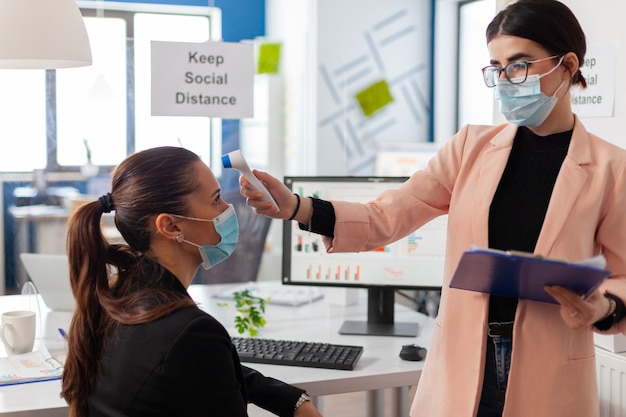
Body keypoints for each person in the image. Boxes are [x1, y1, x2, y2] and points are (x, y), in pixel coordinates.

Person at [240, 1, 626, 416]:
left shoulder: (612, 169)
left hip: (550, 367)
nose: (506, 80)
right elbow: (387, 215)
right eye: (497, 68)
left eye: (520, 65)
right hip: (463, 356)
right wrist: (297, 207)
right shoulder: (470, 147)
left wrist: (603, 306)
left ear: (567, 66)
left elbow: (622, 274)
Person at [61, 146, 323, 417]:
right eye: (216, 200)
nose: (228, 210)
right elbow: (194, 353)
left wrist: (288, 398)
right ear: (171, 226)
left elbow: (195, 366)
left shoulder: (120, 299)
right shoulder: (191, 332)